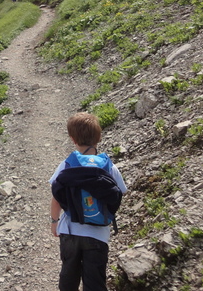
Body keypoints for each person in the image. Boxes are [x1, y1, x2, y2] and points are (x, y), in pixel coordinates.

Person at [49, 112, 127, 291]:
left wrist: (54, 221)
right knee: (95, 281)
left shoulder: (67, 165)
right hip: (98, 234)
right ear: (99, 138)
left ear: (72, 139)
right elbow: (121, 192)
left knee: (69, 276)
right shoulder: (108, 166)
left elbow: (56, 197)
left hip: (70, 231)